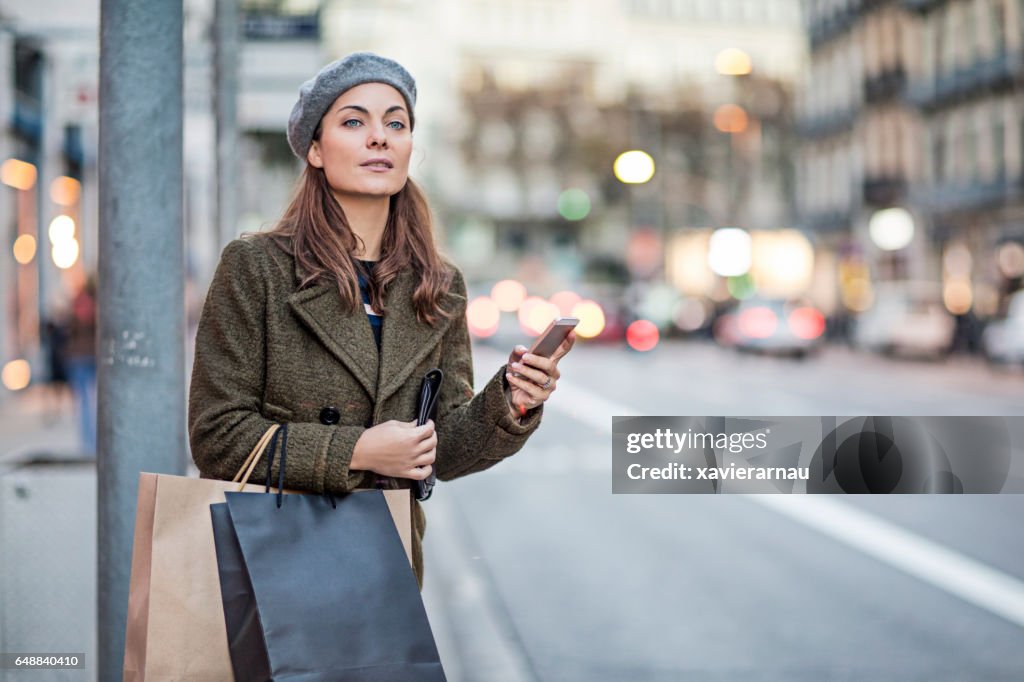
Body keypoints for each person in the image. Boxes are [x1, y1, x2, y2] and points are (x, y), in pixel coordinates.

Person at [188, 52, 575, 589]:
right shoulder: (257, 267)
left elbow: (444, 448)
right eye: (354, 122)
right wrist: (358, 450)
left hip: (385, 565)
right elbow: (216, 436)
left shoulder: (439, 284)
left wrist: (513, 400)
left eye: (396, 123)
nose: (380, 137)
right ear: (316, 150)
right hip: (275, 561)